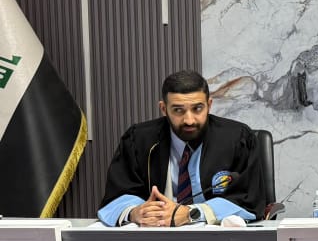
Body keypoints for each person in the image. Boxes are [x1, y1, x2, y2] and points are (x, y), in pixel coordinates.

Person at [97, 70, 263, 226]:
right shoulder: (138, 140)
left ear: (209, 105)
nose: (189, 120)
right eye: (178, 110)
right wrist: (136, 212)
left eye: (197, 108)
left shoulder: (237, 139)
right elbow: (117, 195)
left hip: (219, 239)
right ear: (164, 109)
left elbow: (250, 199)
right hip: (155, 236)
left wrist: (192, 213)